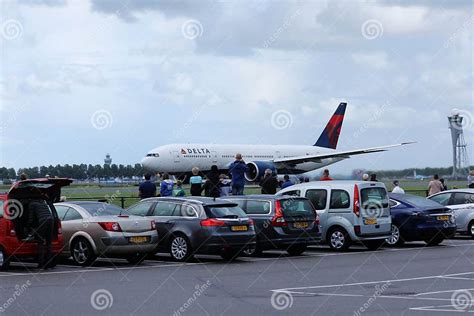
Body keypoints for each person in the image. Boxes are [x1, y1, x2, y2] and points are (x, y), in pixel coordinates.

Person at [28, 198, 54, 269]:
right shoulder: (43, 202)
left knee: (41, 242)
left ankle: (41, 263)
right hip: (51, 220)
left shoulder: (32, 204)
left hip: (43, 221)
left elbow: (31, 218)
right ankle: (49, 263)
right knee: (49, 242)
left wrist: (29, 226)